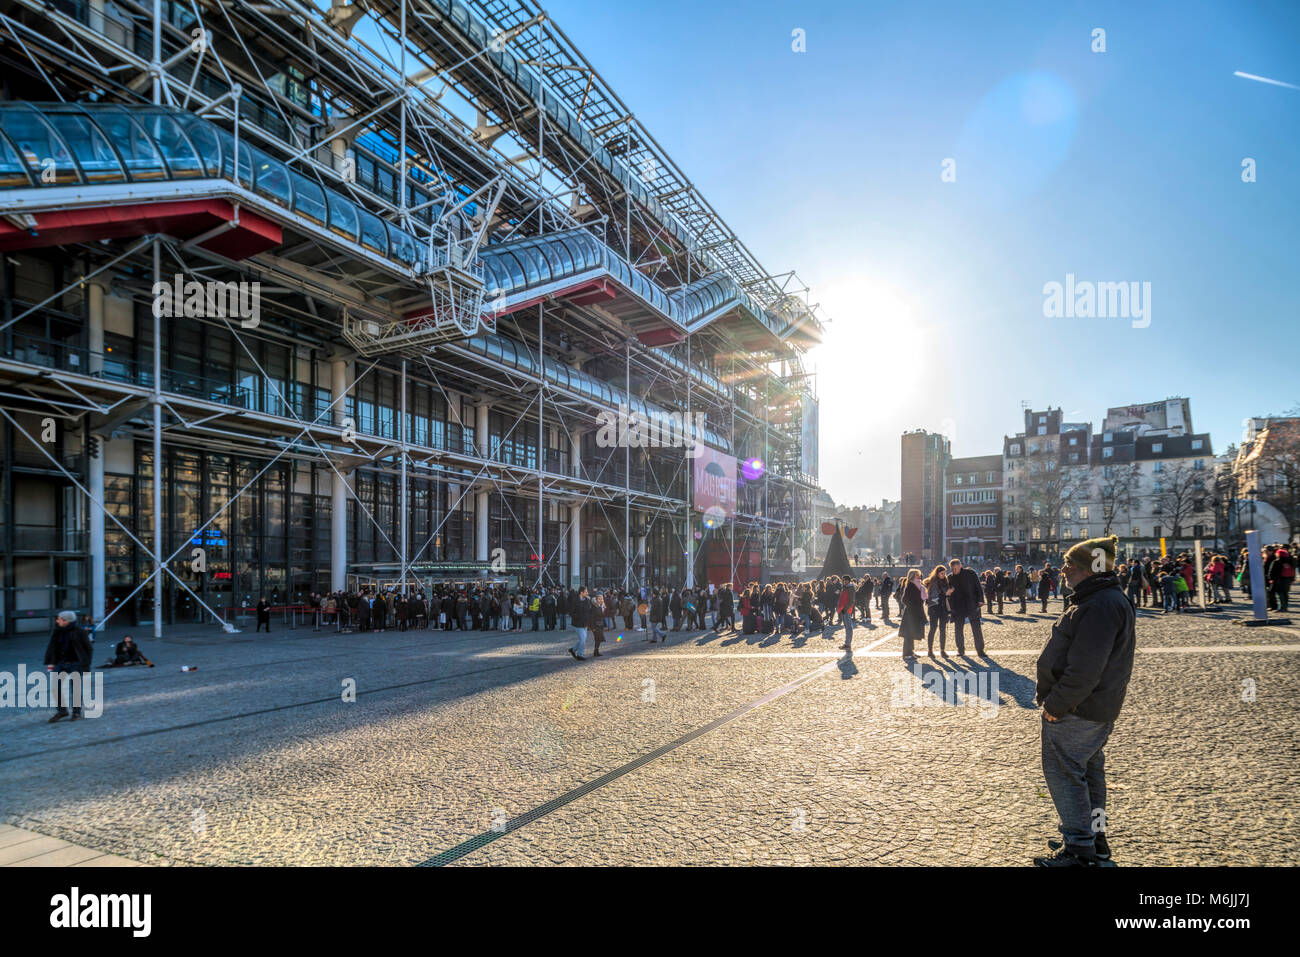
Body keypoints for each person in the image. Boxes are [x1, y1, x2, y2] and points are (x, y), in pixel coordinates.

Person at [1033, 535, 1135, 867]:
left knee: (1065, 774)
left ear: (1089, 569)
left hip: (1078, 710)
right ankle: (1095, 840)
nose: (1063, 569)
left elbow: (1086, 667)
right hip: (1093, 707)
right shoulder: (1101, 599)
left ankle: (1079, 849)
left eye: (1070, 564)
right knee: (1089, 775)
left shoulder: (1100, 604)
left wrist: (1056, 705)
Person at [44, 610, 93, 722]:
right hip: (61, 663)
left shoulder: (79, 631)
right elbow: (52, 647)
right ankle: (62, 711)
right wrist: (51, 662)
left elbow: (88, 648)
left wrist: (86, 665)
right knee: (55, 687)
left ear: (66, 621)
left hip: (76, 663)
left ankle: (76, 712)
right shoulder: (57, 630)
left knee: (75, 688)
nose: (57, 620)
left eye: (59, 619)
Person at [947, 558, 986, 657]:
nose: (954, 571)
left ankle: (980, 650)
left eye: (955, 568)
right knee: (958, 629)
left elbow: (978, 587)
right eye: (952, 569)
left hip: (972, 604)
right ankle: (960, 650)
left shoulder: (971, 573)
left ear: (960, 566)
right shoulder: (950, 577)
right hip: (958, 607)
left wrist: (981, 599)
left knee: (976, 629)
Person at [898, 569, 927, 660]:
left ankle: (911, 652)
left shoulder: (919, 585)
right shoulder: (910, 585)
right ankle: (906, 653)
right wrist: (912, 606)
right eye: (917, 575)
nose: (919, 577)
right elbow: (904, 599)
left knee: (912, 633)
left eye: (919, 575)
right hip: (910, 614)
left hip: (916, 612)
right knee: (908, 634)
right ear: (912, 576)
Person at [923, 565, 950, 657]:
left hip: (943, 609)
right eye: (942, 573)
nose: (944, 575)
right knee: (933, 629)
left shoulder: (945, 581)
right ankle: (930, 650)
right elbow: (932, 597)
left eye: (944, 573)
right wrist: (945, 594)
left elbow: (946, 596)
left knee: (943, 630)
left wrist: (948, 593)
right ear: (937, 573)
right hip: (934, 608)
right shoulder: (933, 582)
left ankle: (942, 650)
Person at [569, 586, 591, 660]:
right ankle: (580, 655)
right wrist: (579, 616)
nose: (587, 593)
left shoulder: (587, 600)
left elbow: (589, 611)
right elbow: (571, 613)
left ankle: (573, 650)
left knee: (583, 639)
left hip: (585, 623)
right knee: (582, 639)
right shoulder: (574, 600)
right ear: (581, 592)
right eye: (586, 592)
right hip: (577, 623)